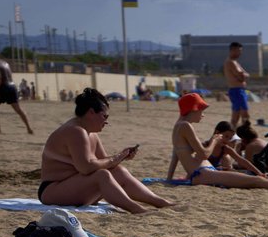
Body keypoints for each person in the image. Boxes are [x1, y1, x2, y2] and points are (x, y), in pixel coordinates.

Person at [39, 87, 175, 213]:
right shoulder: (75, 131)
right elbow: (86, 167)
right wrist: (115, 158)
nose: (106, 121)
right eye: (105, 116)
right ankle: (136, 209)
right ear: (91, 112)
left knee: (118, 171)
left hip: (76, 187)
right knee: (102, 175)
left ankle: (159, 202)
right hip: (52, 190)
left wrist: (121, 157)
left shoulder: (90, 133)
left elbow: (105, 163)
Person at [171, 93, 268, 189]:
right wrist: (215, 140)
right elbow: (204, 154)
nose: (203, 115)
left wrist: (169, 178)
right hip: (203, 173)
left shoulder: (178, 127)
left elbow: (176, 153)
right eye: (201, 111)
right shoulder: (185, 126)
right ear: (194, 109)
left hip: (203, 173)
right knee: (256, 181)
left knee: (255, 180)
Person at [0, 58, 34, 134]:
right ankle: (29, 128)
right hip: (12, 86)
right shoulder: (5, 63)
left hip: (3, 87)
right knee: (18, 109)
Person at [224, 41, 250, 128]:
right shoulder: (231, 62)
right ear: (233, 50)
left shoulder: (234, 62)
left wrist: (244, 75)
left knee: (236, 115)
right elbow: (241, 77)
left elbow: (245, 74)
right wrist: (244, 75)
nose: (240, 53)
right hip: (237, 90)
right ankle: (244, 133)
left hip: (238, 90)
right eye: (239, 51)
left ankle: (232, 132)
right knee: (245, 115)